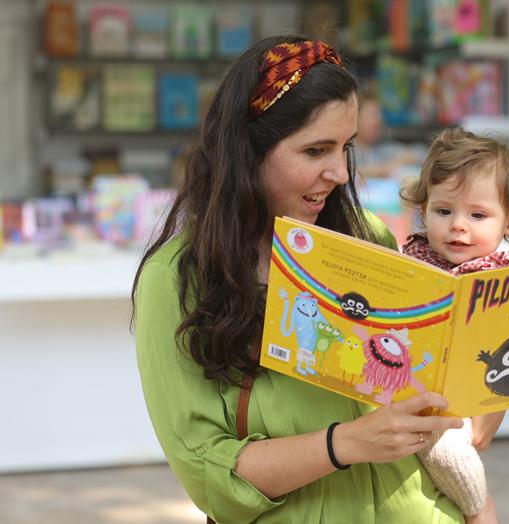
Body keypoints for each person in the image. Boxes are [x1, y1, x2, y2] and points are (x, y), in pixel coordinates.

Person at [131, 36, 467, 523]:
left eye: (345, 148)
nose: (337, 172)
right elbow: (208, 472)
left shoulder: (366, 237)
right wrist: (346, 443)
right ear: (247, 151)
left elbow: (411, 380)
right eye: (315, 150)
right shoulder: (176, 280)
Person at [400, 127, 509, 521]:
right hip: (409, 387)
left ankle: (480, 509)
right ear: (424, 207)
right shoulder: (413, 260)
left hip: (463, 401)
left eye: (477, 215)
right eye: (443, 211)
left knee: (445, 449)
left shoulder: (501, 277)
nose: (458, 226)